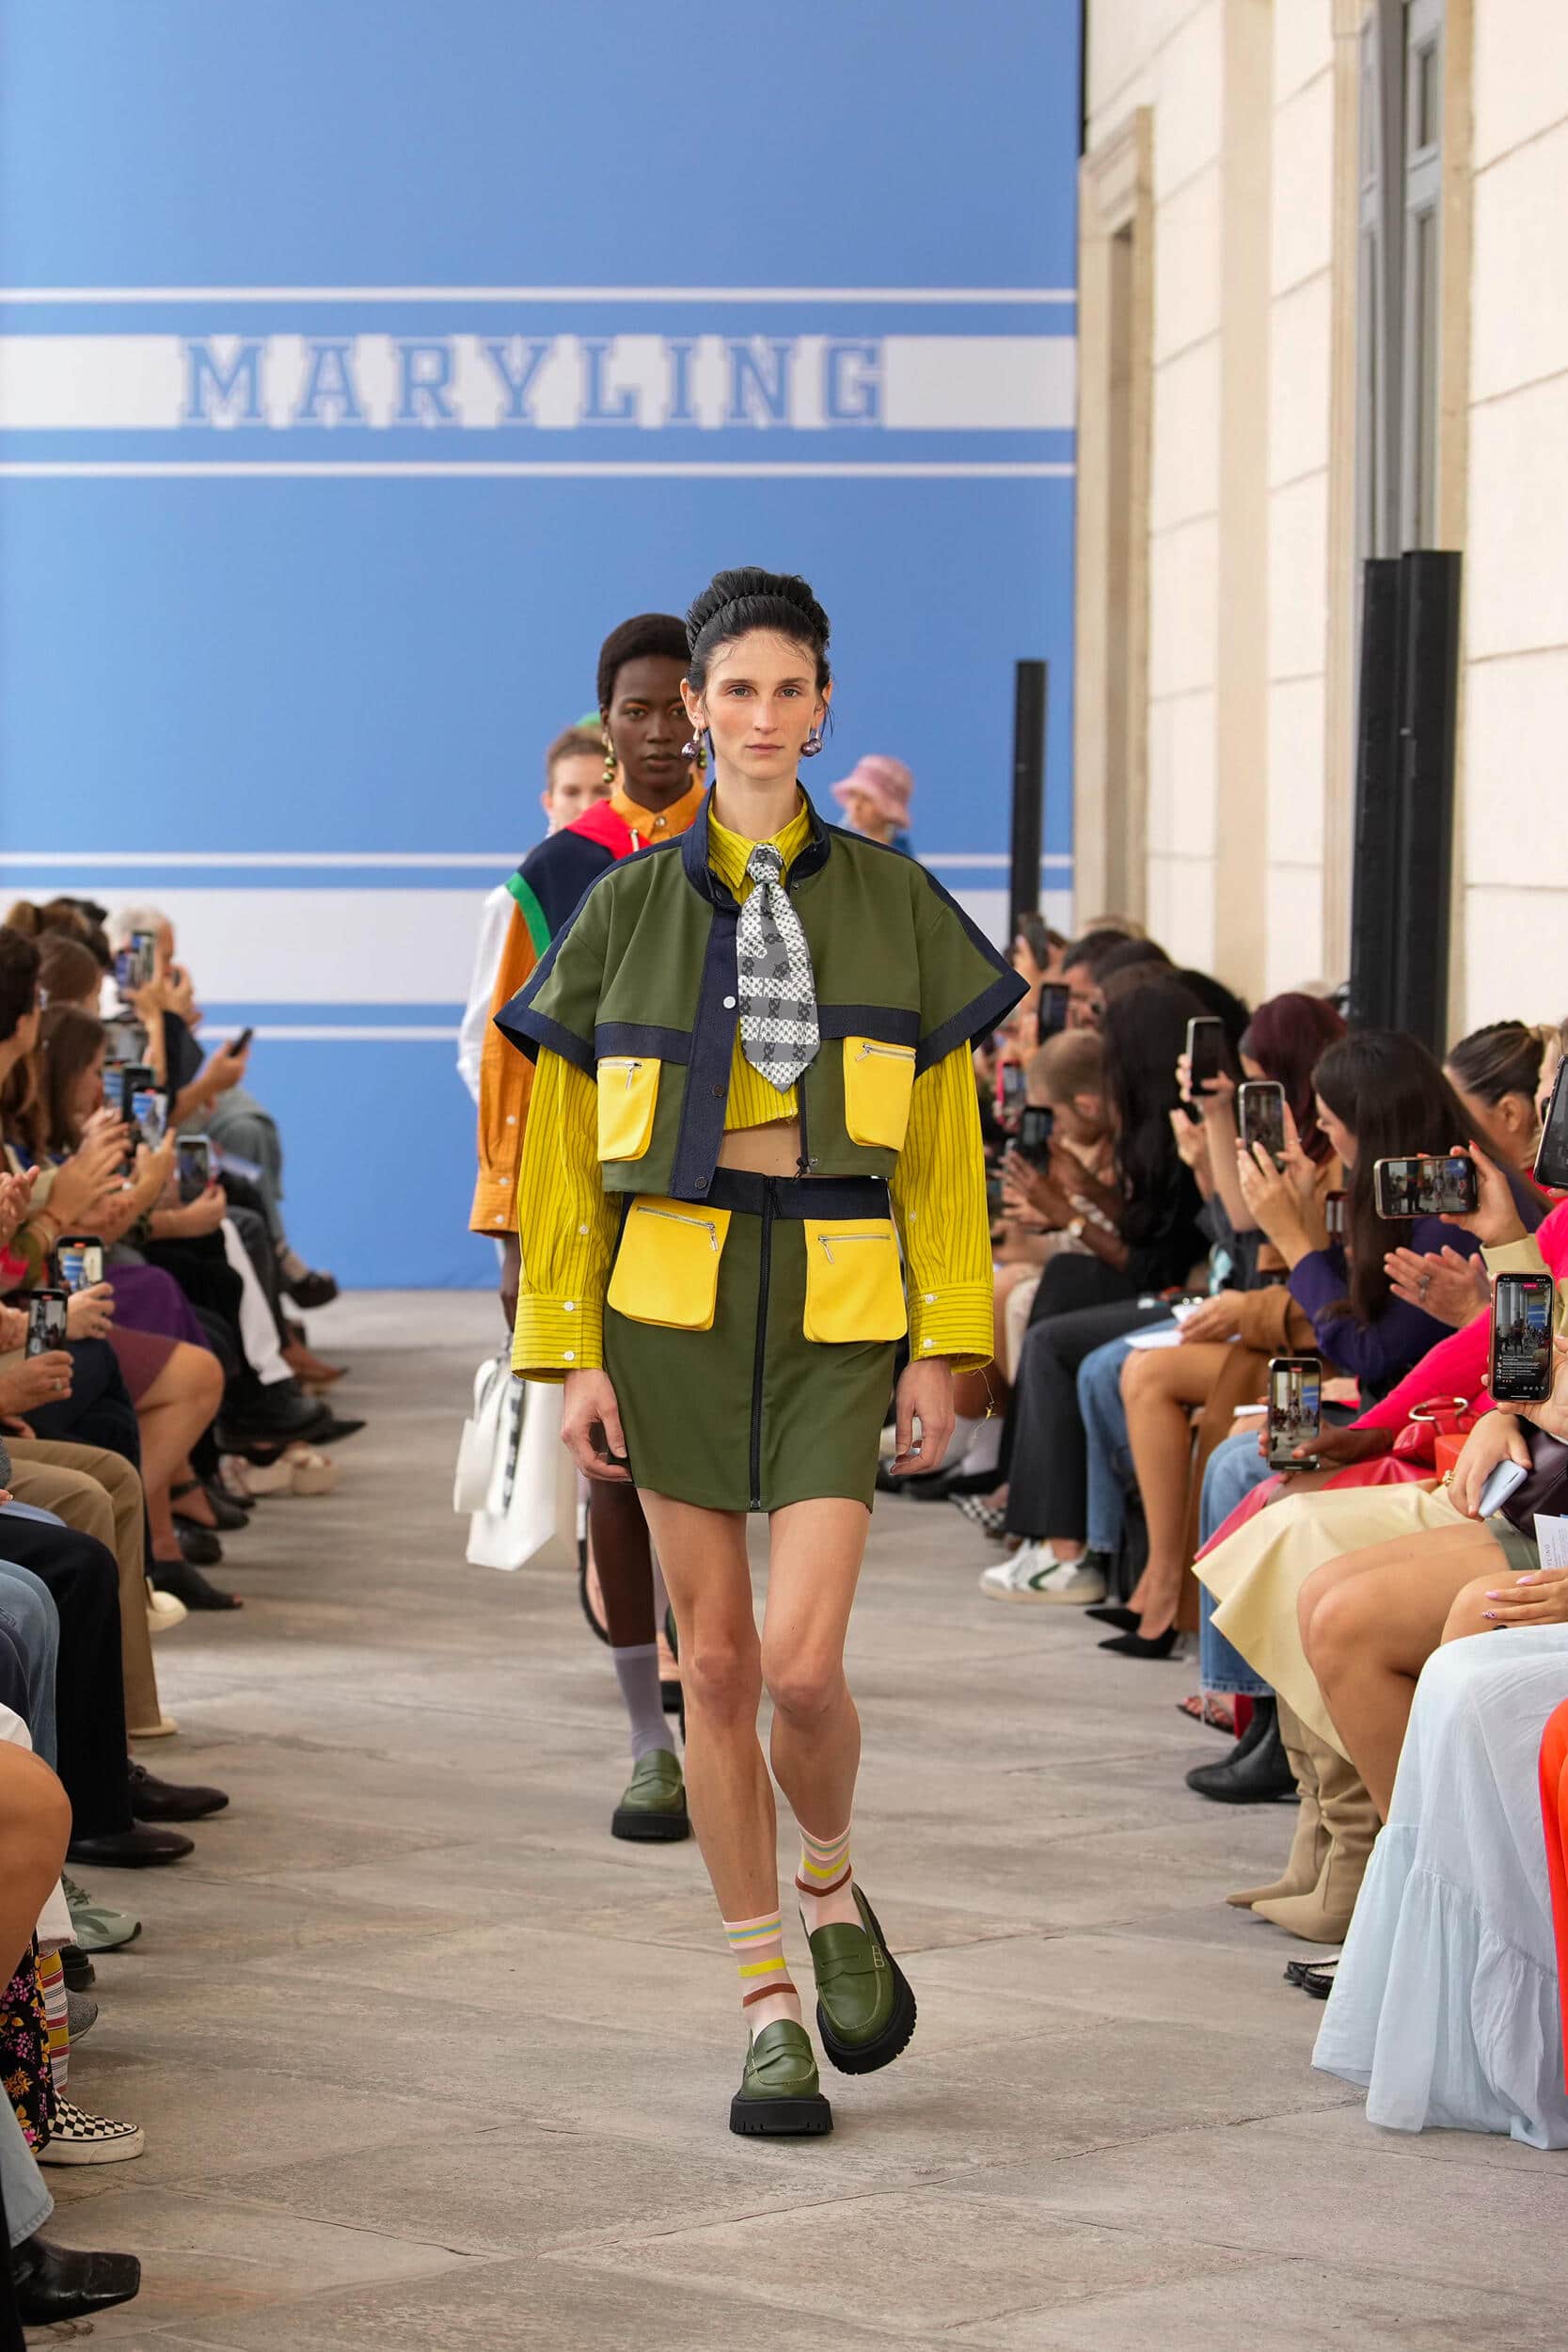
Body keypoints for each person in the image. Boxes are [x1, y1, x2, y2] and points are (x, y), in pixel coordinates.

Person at [502, 566, 1022, 2138]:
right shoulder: (622, 909)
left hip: (838, 1304)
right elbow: (560, 1163)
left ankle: (831, 1884)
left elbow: (945, 1154)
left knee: (801, 1668)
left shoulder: (895, 904)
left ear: (821, 709)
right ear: (695, 710)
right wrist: (567, 1351)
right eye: (737, 690)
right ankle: (764, 2005)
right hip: (667, 1304)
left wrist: (947, 1342)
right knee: (715, 1668)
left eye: (789, 689)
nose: (761, 715)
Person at [478, 618, 704, 1844]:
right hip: (597, 1214)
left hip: (734, 1208)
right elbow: (511, 1072)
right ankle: (648, 1742)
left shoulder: (767, 853)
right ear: (604, 722)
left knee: (717, 1473)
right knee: (611, 1468)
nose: (660, 731)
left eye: (678, 705)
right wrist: (515, 1236)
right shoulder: (557, 871)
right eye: (635, 709)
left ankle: (716, 1702)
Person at [457, 726, 607, 1107]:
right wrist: (515, 1119)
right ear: (549, 802)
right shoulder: (514, 900)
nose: (586, 805)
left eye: (601, 791)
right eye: (571, 792)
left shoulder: (642, 886)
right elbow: (479, 1039)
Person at [829, 754, 912, 853]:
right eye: (853, 795)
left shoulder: (901, 859)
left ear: (890, 810)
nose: (856, 805)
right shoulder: (842, 850)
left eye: (867, 798)